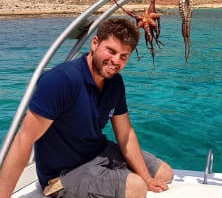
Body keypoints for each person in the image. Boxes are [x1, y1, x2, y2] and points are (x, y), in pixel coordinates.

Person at [0, 18, 173, 198]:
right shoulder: (62, 80)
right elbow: (23, 140)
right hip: (64, 173)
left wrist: (146, 177)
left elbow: (125, 134)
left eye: (123, 56)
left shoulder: (115, 83)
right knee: (135, 187)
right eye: (111, 51)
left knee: (164, 173)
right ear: (95, 43)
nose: (115, 61)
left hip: (98, 153)